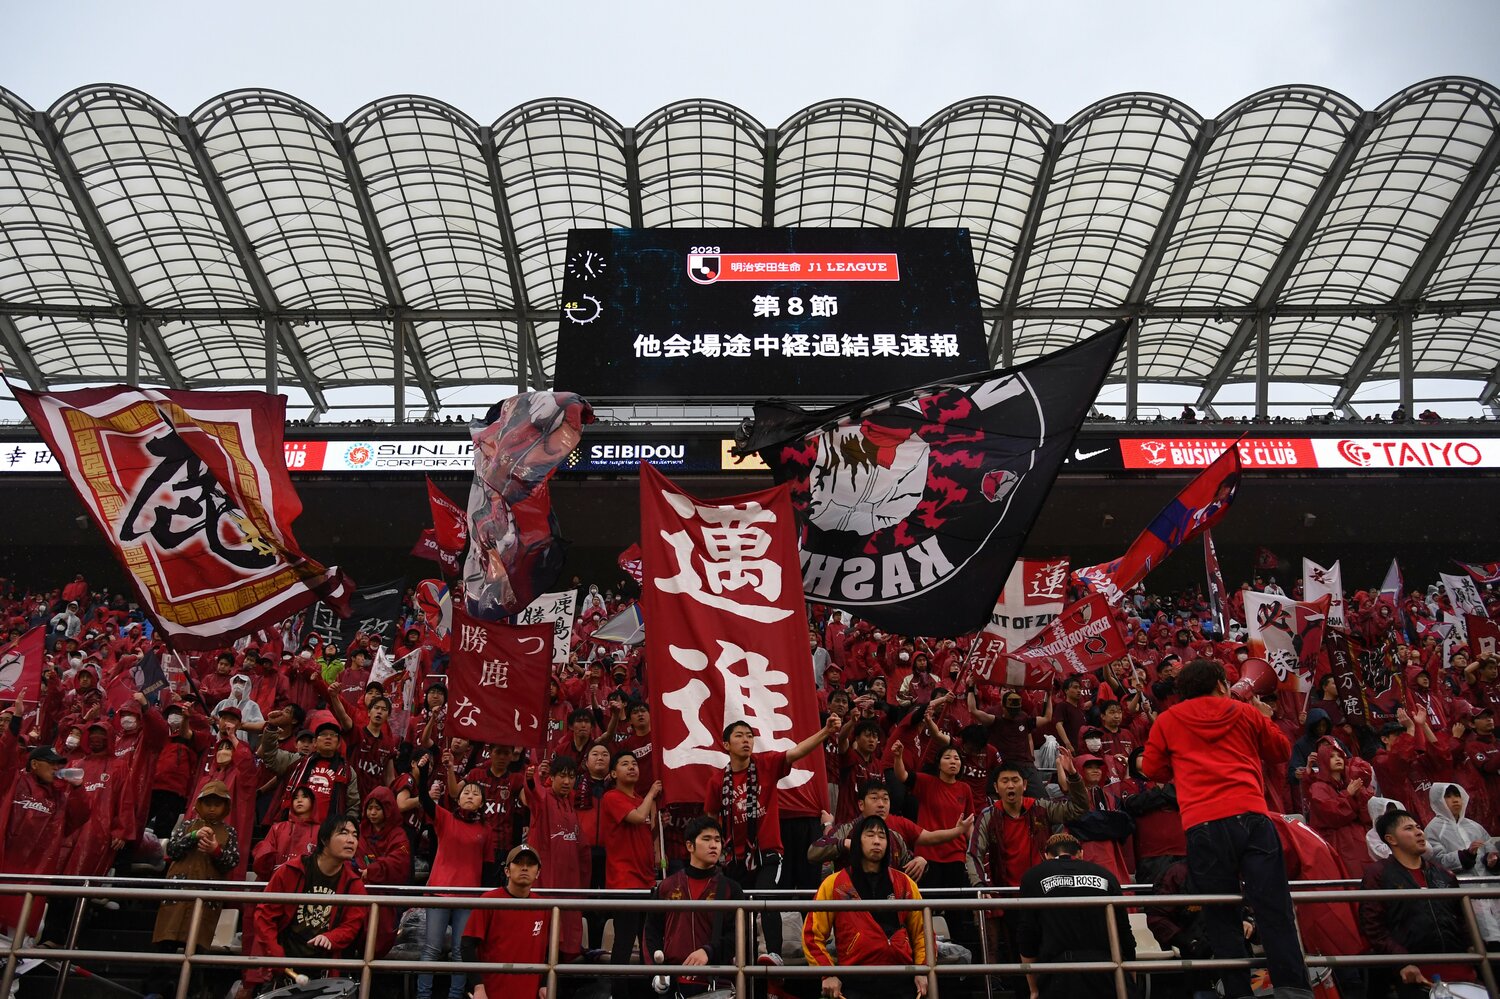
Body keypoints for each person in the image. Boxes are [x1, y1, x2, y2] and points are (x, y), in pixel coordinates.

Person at [1140, 658, 1311, 999]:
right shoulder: (1244, 712)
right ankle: (1293, 988)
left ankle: (1236, 991)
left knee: (1219, 914)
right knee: (1273, 906)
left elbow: (1152, 770)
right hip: (1250, 816)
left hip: (1203, 824)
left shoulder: (1168, 720)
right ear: (1221, 683)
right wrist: (1263, 717)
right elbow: (1280, 750)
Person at [702, 715, 842, 965]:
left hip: (767, 852)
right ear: (726, 745)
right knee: (736, 908)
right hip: (735, 856)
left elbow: (796, 752)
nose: (746, 741)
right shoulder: (716, 781)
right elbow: (711, 817)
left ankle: (774, 953)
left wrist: (825, 732)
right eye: (739, 736)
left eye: (750, 736)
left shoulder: (766, 764)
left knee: (766, 897)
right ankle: (742, 954)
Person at [803, 814, 929, 999]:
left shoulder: (905, 883)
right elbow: (812, 935)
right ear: (856, 841)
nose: (876, 841)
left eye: (882, 836)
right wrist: (828, 973)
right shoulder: (834, 883)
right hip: (854, 983)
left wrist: (922, 970)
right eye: (869, 835)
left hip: (902, 981)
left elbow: (922, 932)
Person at [1360, 809, 1478, 996]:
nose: (1419, 832)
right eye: (1409, 828)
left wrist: (1473, 949)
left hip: (1461, 970)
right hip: (1416, 974)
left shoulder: (1443, 874)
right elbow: (1373, 926)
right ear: (1391, 839)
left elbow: (1462, 920)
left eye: (1418, 827)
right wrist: (1403, 961)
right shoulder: (1378, 874)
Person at [255, 812, 370, 988]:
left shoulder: (354, 884)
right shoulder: (291, 870)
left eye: (355, 835)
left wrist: (332, 937)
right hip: (285, 963)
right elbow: (265, 915)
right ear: (324, 840)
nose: (351, 840)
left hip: (324, 968)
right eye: (343, 833)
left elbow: (351, 925)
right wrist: (275, 954)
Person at [150, 781, 241, 999]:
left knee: (198, 953)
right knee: (165, 946)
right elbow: (171, 850)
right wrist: (192, 837)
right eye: (207, 803)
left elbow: (231, 862)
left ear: (225, 807)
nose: (212, 808)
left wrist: (215, 850)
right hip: (177, 895)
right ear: (199, 804)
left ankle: (192, 994)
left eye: (217, 804)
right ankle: (155, 992)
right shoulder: (187, 825)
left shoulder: (229, 832)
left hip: (206, 898)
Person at [1015, 832, 1134, 999]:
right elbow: (1124, 932)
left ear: (1047, 856)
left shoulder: (1033, 876)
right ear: (1081, 854)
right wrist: (1130, 977)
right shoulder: (1106, 875)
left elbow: (1027, 934)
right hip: (1105, 970)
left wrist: (1033, 988)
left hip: (1058, 974)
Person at [645, 816, 744, 998]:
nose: (714, 845)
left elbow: (739, 936)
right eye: (706, 839)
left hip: (716, 982)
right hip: (673, 984)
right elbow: (651, 932)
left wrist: (709, 951)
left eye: (717, 840)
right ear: (690, 846)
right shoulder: (667, 886)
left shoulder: (731, 889)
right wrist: (657, 971)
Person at [418, 778, 492, 999]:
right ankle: (423, 996)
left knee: (461, 952)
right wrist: (423, 773)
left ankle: (456, 995)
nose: (469, 795)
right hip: (439, 892)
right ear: (458, 799)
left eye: (475, 793)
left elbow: (488, 866)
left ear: (482, 803)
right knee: (431, 948)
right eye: (465, 792)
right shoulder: (445, 817)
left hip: (468, 898)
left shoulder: (486, 830)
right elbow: (424, 800)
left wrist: (484, 898)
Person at [602, 748, 662, 997]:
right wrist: (651, 793)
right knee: (624, 940)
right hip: (623, 880)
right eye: (625, 764)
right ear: (614, 773)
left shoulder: (642, 799)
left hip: (646, 879)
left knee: (649, 941)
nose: (631, 767)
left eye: (635, 763)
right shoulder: (612, 797)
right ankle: (618, 993)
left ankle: (652, 992)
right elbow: (637, 818)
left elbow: (651, 833)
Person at [462, 844, 552, 999]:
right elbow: (467, 945)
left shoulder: (545, 907)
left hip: (529, 993)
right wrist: (478, 987)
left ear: (538, 872)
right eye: (518, 863)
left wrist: (544, 983)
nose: (524, 868)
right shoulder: (489, 900)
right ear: (507, 871)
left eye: (530, 864)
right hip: (492, 992)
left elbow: (550, 950)